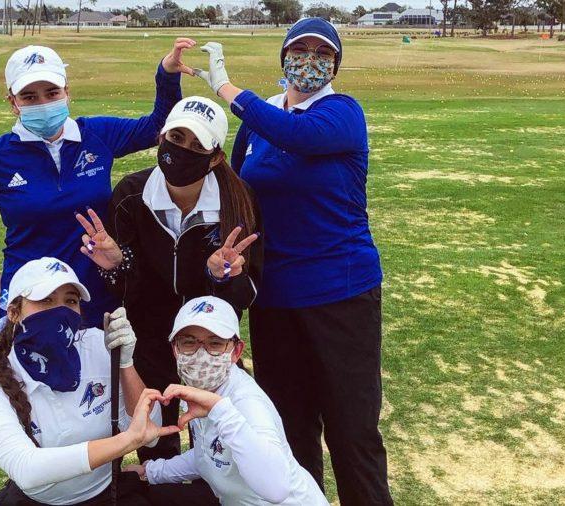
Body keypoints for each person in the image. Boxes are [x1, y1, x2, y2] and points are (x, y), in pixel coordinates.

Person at [190, 18, 393, 505]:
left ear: (336, 64)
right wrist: (222, 251)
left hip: (340, 294)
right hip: (275, 298)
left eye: (321, 53)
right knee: (289, 428)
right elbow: (239, 192)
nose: (308, 60)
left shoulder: (341, 113)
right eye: (298, 50)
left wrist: (226, 87)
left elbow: (294, 133)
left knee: (351, 431)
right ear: (283, 59)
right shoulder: (260, 123)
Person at [0, 39, 195, 329]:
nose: (43, 104)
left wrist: (167, 74)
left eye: (51, 93)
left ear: (67, 93)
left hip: (93, 292)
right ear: (13, 102)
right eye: (30, 97)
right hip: (29, 295)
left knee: (98, 372)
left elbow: (157, 126)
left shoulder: (96, 134)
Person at [74, 96, 262, 463]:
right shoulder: (131, 195)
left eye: (197, 146)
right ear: (161, 138)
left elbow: (249, 291)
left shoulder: (238, 202)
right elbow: (126, 287)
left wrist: (219, 276)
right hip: (150, 343)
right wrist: (116, 264)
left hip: (209, 347)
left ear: (215, 157)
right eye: (176, 138)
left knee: (221, 451)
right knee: (155, 447)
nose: (182, 151)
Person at [0, 256, 178, 505]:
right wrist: (126, 441)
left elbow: (150, 431)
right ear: (14, 313)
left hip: (107, 493)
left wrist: (124, 363)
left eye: (70, 301)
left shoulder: (98, 345)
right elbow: (27, 470)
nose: (60, 311)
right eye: (45, 300)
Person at [125, 296, 328, 506]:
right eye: (189, 342)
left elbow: (276, 488)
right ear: (175, 349)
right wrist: (151, 471)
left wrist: (220, 410)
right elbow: (209, 454)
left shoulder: (247, 403)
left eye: (215, 343)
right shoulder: (202, 390)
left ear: (236, 351)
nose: (201, 354)